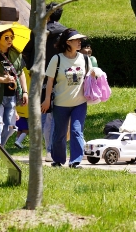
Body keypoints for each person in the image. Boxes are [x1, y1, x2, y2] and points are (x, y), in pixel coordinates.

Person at [41, 29, 93, 168]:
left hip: (79, 103)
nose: (80, 42)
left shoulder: (85, 59)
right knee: (60, 133)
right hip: (60, 103)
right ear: (68, 42)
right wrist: (47, 99)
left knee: (76, 131)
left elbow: (90, 77)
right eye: (76, 40)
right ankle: (58, 160)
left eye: (80, 40)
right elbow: (50, 81)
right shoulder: (57, 59)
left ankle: (75, 161)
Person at [23, 2, 67, 162]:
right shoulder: (65, 33)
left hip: (42, 78)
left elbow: (26, 52)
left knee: (45, 114)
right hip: (61, 78)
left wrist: (32, 68)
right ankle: (55, 150)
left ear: (47, 15)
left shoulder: (37, 31)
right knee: (58, 116)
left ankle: (49, 150)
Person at [0, 27, 28, 154]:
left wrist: (25, 92)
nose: (10, 40)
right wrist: (3, 80)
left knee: (11, 127)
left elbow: (21, 73)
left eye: (12, 37)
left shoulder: (15, 54)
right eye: (6, 37)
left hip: (12, 95)